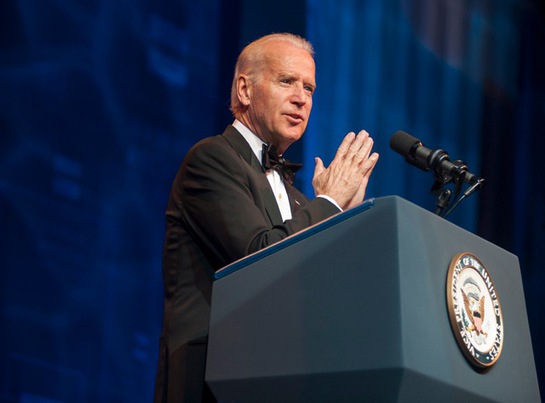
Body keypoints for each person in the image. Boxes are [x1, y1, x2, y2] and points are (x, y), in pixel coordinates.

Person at [154, 32, 379, 402]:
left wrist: (342, 221)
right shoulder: (212, 159)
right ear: (244, 90)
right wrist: (329, 203)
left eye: (309, 88)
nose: (301, 98)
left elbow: (314, 296)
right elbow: (259, 258)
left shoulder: (296, 197)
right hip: (208, 385)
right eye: (286, 81)